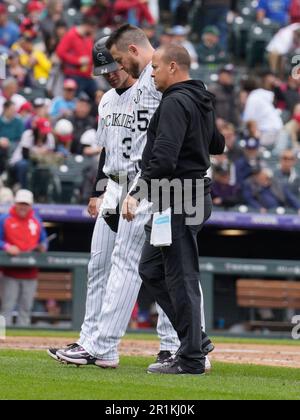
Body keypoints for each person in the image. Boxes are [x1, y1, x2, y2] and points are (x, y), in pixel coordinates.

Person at [48, 37, 200, 369]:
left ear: (126, 59)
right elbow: (106, 150)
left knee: (155, 266)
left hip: (148, 185)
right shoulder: (105, 102)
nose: (109, 74)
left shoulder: (153, 87)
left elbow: (153, 57)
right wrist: (97, 189)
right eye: (104, 69)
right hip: (115, 186)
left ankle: (169, 344)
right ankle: (91, 340)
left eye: (113, 65)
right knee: (100, 266)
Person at [122, 44, 225, 375]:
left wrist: (136, 193)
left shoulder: (176, 101)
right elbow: (218, 145)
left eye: (155, 67)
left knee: (182, 277)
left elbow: (164, 158)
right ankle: (195, 338)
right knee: (152, 269)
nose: (150, 73)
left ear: (172, 68)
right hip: (187, 195)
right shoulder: (200, 98)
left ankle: (192, 358)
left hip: (180, 196)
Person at [0, 189, 48, 327]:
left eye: (26, 204)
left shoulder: (36, 221)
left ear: (30, 205)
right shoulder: (4, 219)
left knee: (26, 309)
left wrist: (42, 246)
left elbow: (44, 240)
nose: (23, 207)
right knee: (7, 307)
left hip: (30, 273)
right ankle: (3, 340)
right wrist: (6, 246)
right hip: (10, 273)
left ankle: (23, 342)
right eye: (20, 203)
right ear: (15, 203)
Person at [56, 15, 98, 99]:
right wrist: (77, 60)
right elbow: (60, 52)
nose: (94, 31)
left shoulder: (88, 37)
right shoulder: (71, 35)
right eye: (93, 28)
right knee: (73, 100)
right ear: (87, 26)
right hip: (74, 75)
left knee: (98, 97)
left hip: (88, 75)